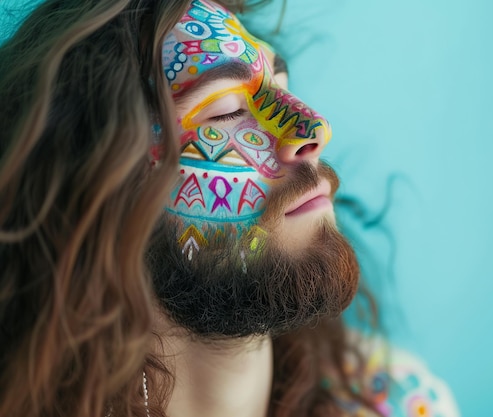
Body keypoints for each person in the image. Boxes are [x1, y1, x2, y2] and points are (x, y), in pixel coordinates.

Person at [0, 1, 459, 416]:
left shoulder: (398, 401)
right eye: (225, 110)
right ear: (102, 194)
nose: (312, 128)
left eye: (281, 85)